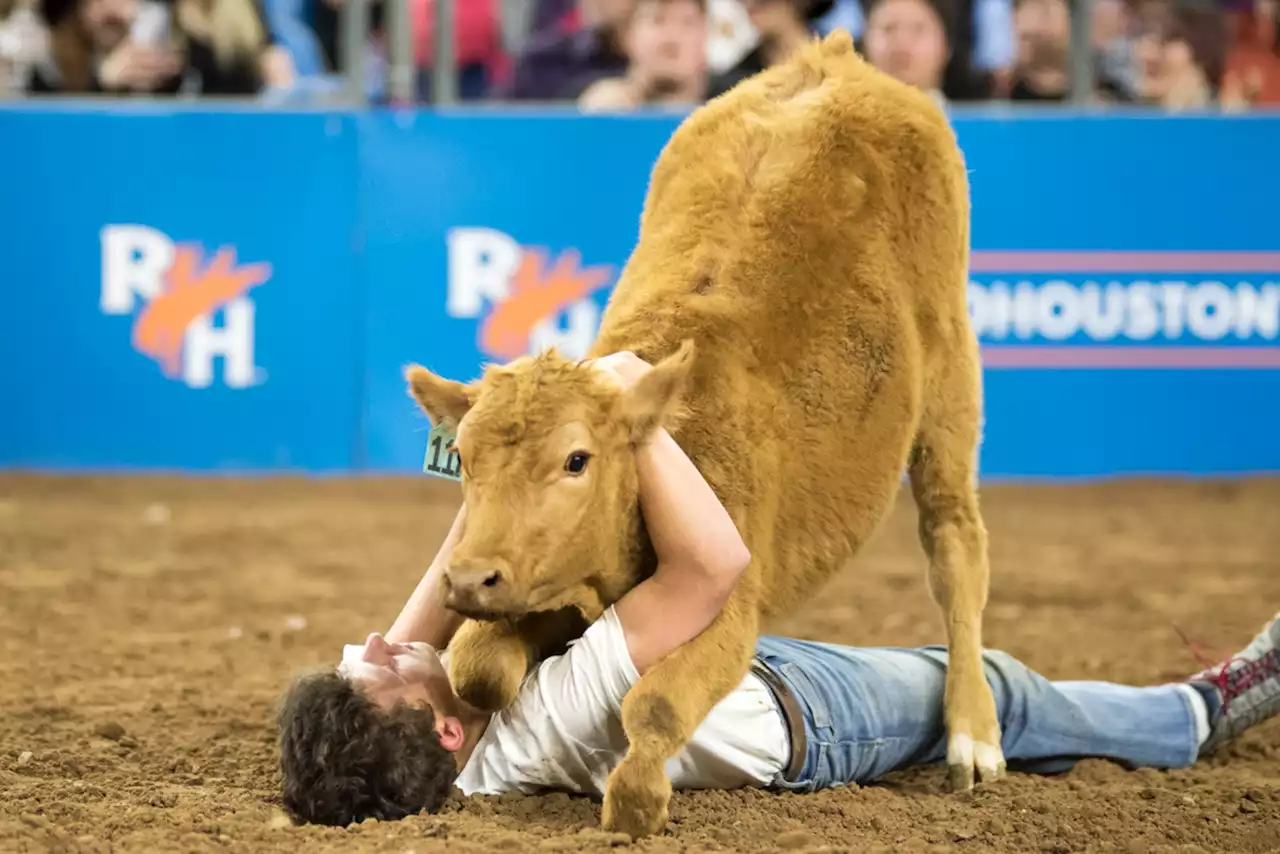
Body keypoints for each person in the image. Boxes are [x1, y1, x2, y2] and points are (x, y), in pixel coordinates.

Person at [277, 351, 1280, 828]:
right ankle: (1191, 714)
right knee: (993, 693)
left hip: (756, 685)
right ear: (445, 731)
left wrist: (499, 454)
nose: (369, 642)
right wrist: (635, 416)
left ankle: (1087, 729)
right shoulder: (549, 721)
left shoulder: (420, 740)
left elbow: (444, 590)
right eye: (374, 669)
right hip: (804, 718)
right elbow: (710, 568)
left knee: (999, 709)